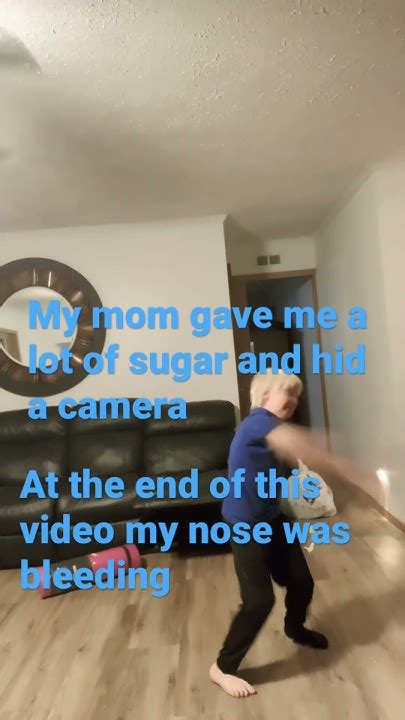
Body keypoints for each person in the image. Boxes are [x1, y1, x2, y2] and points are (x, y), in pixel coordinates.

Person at [209, 369, 359, 699]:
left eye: (297, 395)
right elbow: (299, 444)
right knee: (259, 600)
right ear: (264, 396)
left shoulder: (273, 433)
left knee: (301, 581)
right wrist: (354, 471)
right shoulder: (256, 423)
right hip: (245, 525)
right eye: (287, 392)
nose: (294, 399)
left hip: (272, 519)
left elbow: (292, 463)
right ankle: (222, 668)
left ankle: (294, 627)